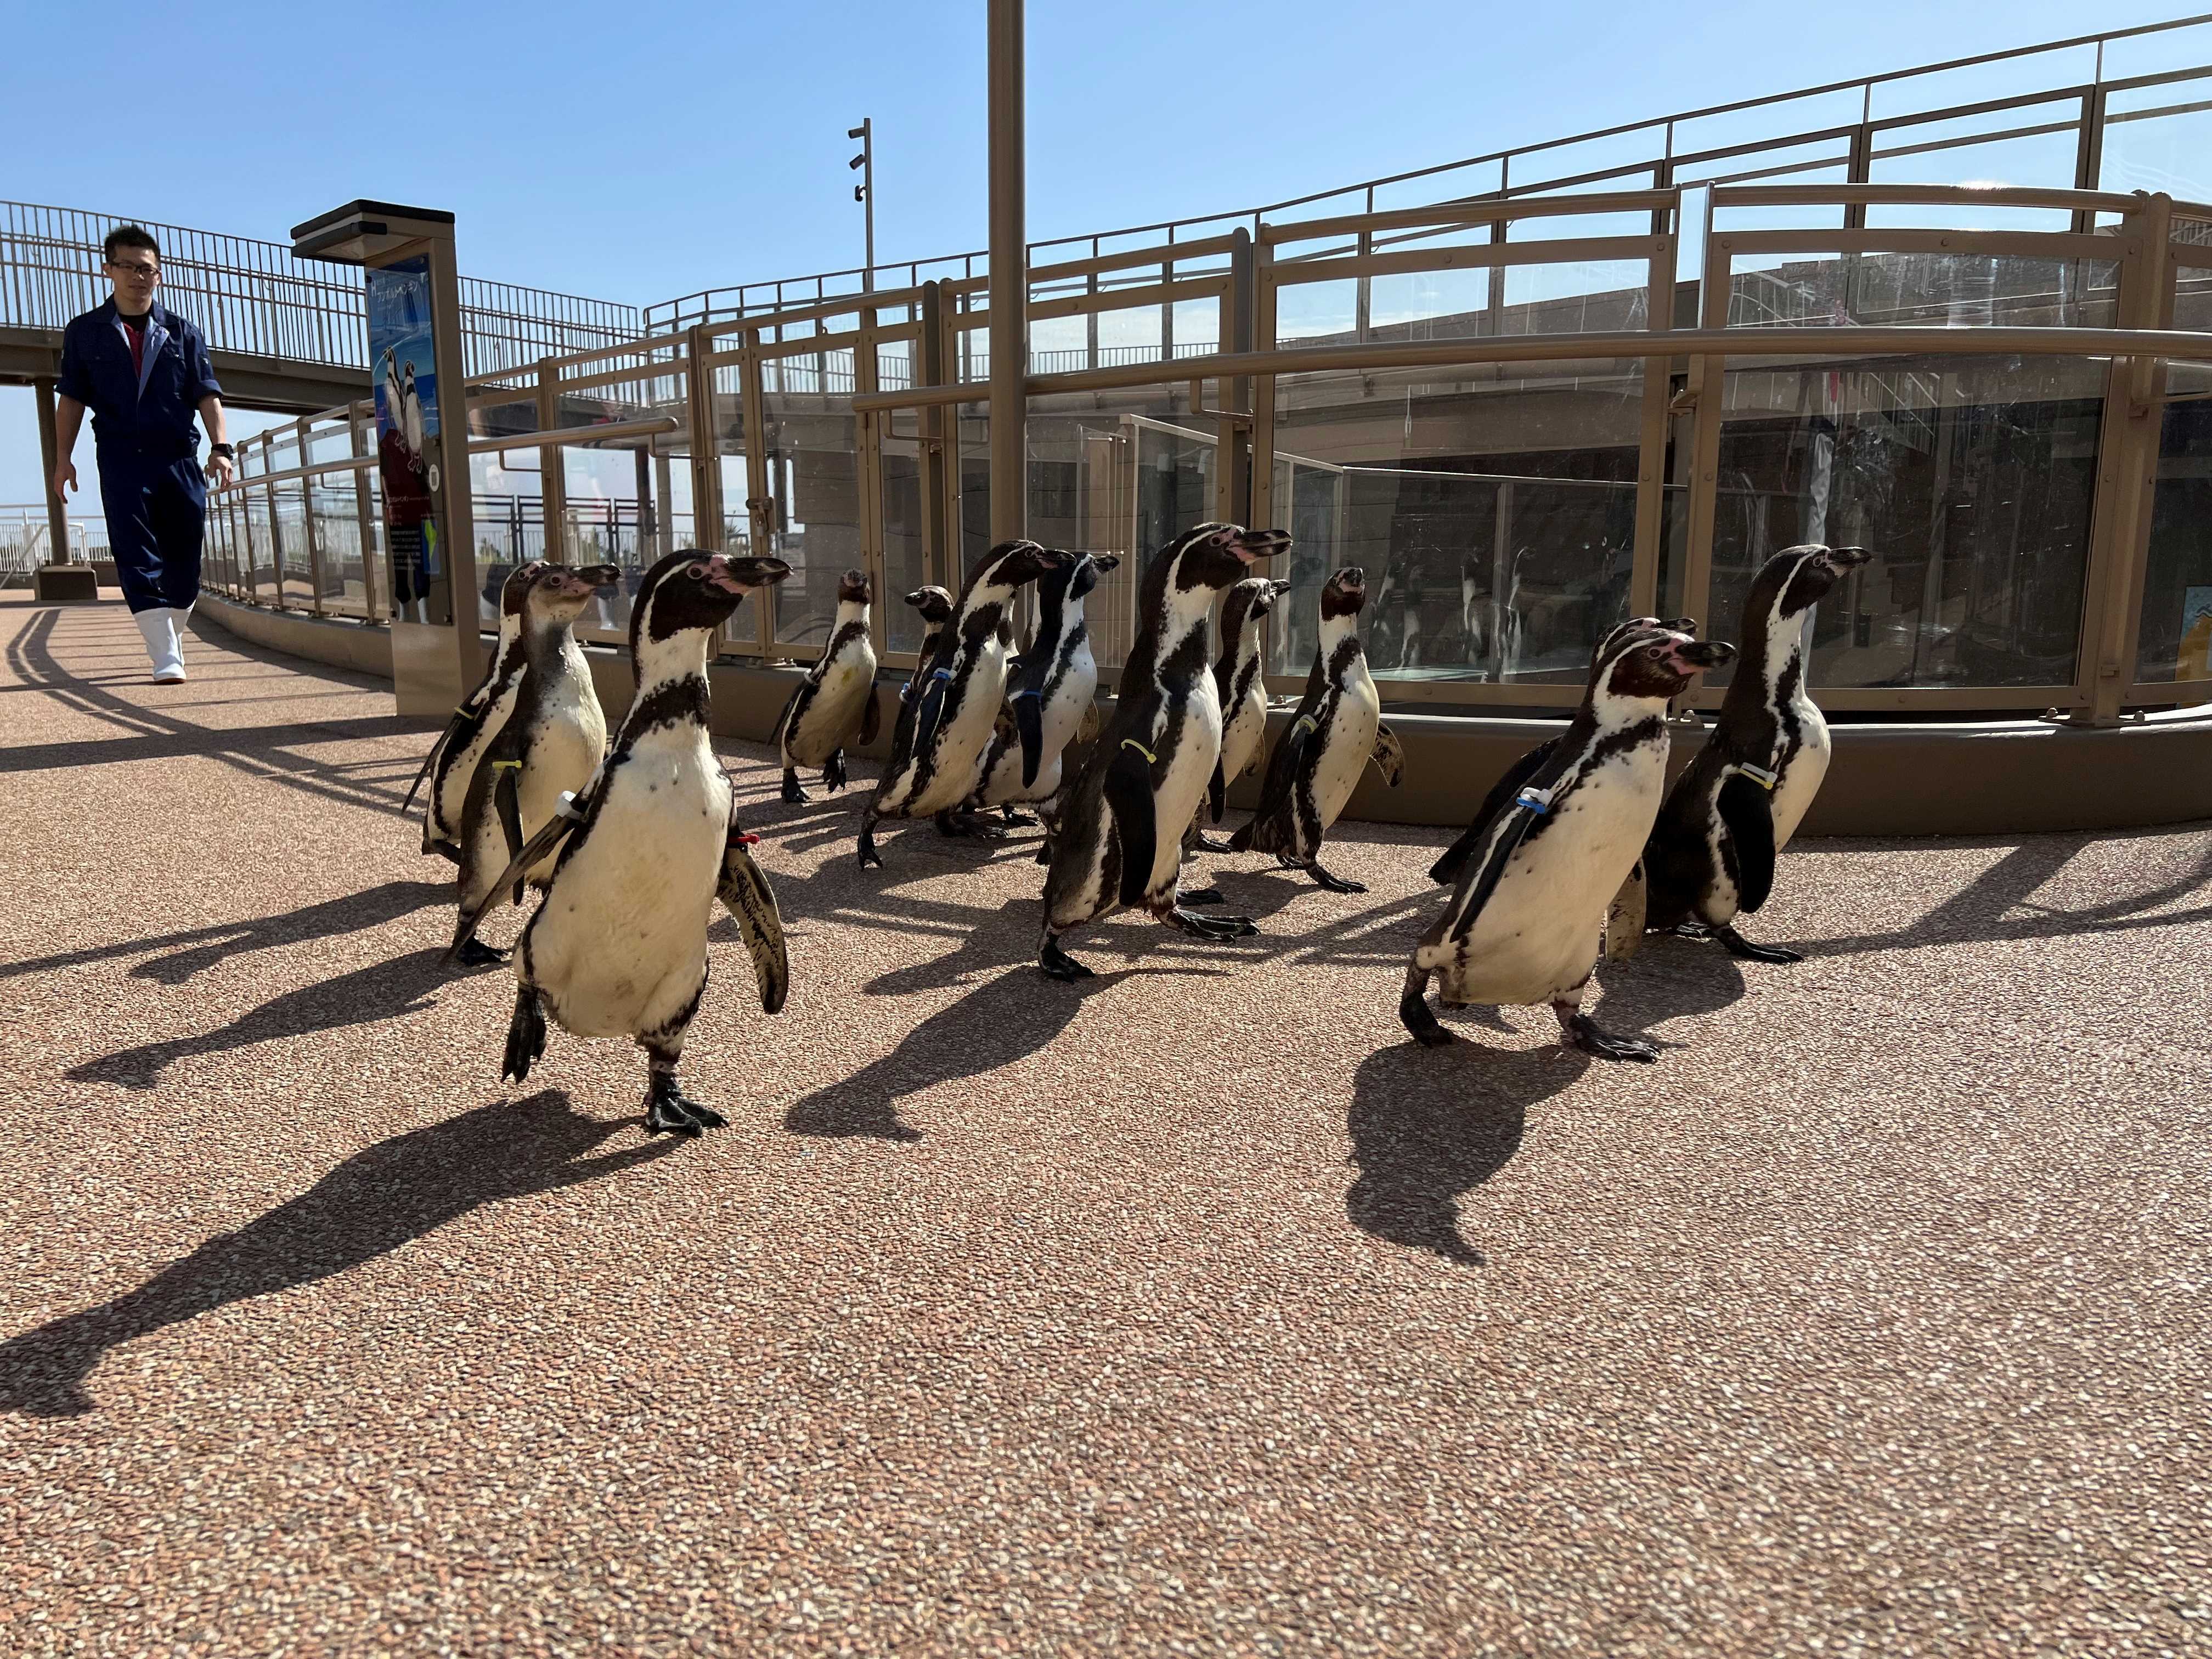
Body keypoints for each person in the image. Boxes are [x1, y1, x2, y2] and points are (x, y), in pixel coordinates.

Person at [52, 225, 233, 684]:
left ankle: (168, 636)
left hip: (179, 457)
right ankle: (165, 655)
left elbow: (207, 394)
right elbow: (71, 399)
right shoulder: (85, 333)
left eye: (146, 269)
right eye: (128, 267)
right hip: (121, 457)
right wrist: (62, 459)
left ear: (159, 275)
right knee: (136, 554)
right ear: (108, 269)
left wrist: (221, 448)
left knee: (186, 557)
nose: (138, 277)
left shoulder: (183, 333)